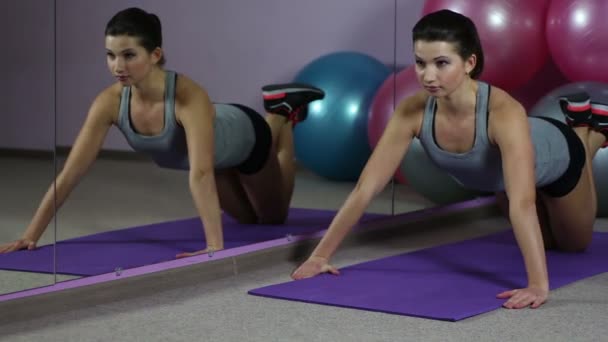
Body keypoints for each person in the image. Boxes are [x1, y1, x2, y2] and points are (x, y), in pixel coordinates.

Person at [291, 9, 608, 310]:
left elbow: (522, 203)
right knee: (543, 236)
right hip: (505, 177)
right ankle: (583, 130)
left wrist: (538, 284)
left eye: (442, 63)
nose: (428, 75)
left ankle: (585, 133)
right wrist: (320, 256)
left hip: (557, 156)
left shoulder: (503, 111)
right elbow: (366, 187)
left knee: (572, 246)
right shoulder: (412, 110)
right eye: (420, 63)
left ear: (469, 62)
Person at [0, 7, 324, 257]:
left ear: (155, 55)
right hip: (216, 156)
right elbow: (71, 173)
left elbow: (200, 173)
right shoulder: (109, 103)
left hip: (245, 138)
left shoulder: (186, 94)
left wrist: (214, 247)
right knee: (248, 223)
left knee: (273, 218)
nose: (117, 66)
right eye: (111, 55)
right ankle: (279, 117)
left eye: (129, 55)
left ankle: (279, 117)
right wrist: (31, 234)